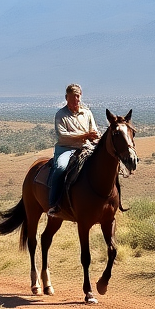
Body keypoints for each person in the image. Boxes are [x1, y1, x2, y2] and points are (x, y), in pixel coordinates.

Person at [47, 83, 99, 216]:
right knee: (60, 167)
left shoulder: (87, 113)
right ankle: (54, 203)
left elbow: (94, 131)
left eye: (78, 96)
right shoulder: (61, 115)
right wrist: (85, 135)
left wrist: (96, 138)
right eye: (73, 97)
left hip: (86, 147)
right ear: (66, 97)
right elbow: (63, 135)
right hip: (66, 148)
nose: (76, 99)